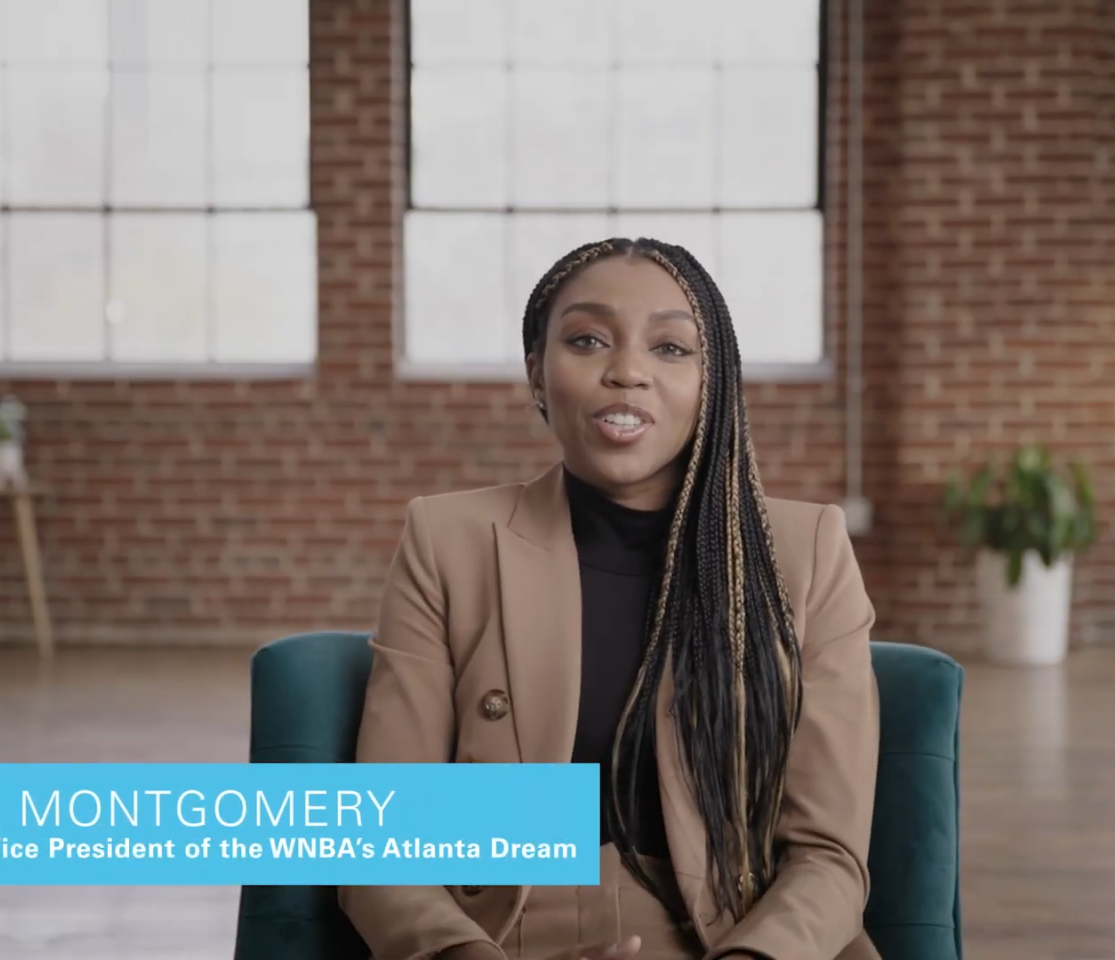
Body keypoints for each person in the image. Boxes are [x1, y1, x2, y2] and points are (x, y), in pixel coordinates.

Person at [339, 238, 882, 960]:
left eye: (671, 349)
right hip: (503, 937)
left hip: (744, 938)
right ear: (537, 371)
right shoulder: (448, 540)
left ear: (712, 381)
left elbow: (828, 857)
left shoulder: (807, 551)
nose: (626, 372)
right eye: (587, 340)